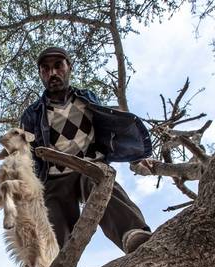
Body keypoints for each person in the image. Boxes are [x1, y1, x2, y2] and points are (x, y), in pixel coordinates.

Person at [20, 46, 153, 254]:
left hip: (89, 166)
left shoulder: (86, 98)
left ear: (69, 67)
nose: (52, 73)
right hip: (55, 177)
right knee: (54, 218)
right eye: (45, 69)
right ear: (40, 74)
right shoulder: (32, 114)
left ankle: (133, 234)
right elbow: (27, 155)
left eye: (58, 66)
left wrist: (136, 157)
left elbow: (111, 128)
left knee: (103, 184)